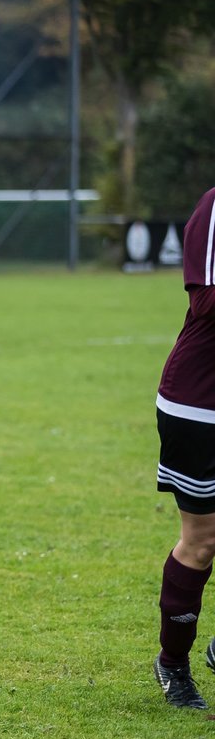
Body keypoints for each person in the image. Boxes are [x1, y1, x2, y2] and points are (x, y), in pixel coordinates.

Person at [153, 186, 215, 709]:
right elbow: (208, 300)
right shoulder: (214, 205)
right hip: (199, 405)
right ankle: (173, 664)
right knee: (201, 542)